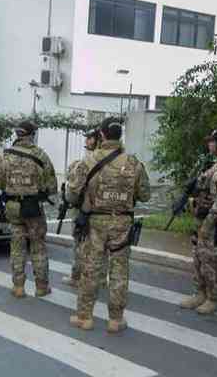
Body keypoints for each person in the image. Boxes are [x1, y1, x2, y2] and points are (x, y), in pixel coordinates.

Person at [67, 117, 150, 333]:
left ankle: (85, 317)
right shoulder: (133, 163)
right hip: (122, 222)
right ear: (119, 135)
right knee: (119, 270)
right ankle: (116, 319)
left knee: (91, 269)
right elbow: (145, 195)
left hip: (95, 222)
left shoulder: (88, 161)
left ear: (102, 135)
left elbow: (71, 194)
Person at [0, 120, 57, 298]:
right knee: (38, 246)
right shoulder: (41, 155)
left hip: (12, 207)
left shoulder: (4, 156)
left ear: (17, 134)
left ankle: (18, 286)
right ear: (32, 135)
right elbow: (52, 187)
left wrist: (9, 185)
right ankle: (41, 287)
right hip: (33, 207)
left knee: (17, 246)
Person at [179, 128, 217, 315]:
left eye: (212, 141)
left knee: (211, 260)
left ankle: (213, 299)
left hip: (216, 222)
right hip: (205, 217)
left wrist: (206, 226)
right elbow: (202, 182)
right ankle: (200, 293)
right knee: (199, 255)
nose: (209, 144)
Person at [61, 128, 108, 289]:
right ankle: (101, 279)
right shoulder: (111, 159)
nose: (86, 141)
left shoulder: (86, 161)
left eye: (89, 138)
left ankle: (77, 276)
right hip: (105, 211)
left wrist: (69, 197)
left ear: (97, 139)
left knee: (81, 245)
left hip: (84, 210)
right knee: (102, 247)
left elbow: (73, 192)